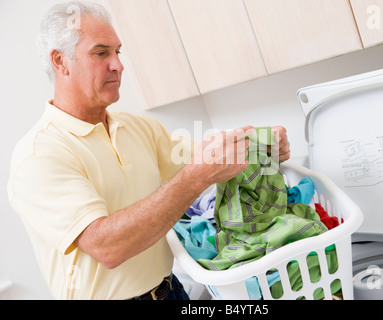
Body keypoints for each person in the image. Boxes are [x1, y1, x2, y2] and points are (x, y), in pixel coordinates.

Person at [7, 1, 290, 300]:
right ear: (60, 61)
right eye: (101, 52)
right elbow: (108, 247)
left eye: (118, 51)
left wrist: (262, 144)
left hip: (170, 291)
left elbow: (210, 157)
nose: (118, 64)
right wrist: (197, 176)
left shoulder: (139, 128)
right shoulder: (38, 156)